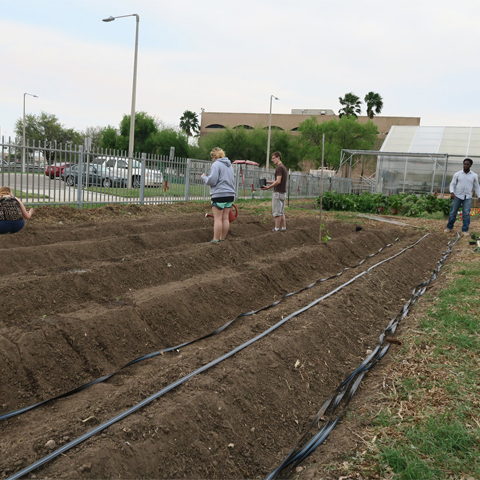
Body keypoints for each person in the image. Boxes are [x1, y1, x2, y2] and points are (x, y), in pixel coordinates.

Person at [201, 147, 235, 243]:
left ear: (214, 156)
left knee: (218, 218)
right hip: (230, 195)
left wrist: (204, 177)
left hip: (219, 194)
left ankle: (215, 240)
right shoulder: (230, 166)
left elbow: (212, 181)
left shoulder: (216, 165)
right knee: (225, 218)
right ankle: (222, 239)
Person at [444, 158, 480, 236]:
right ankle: (449, 227)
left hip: (468, 197)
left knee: (466, 214)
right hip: (457, 196)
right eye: (464, 164)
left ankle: (465, 230)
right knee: (453, 212)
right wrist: (452, 193)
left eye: (467, 164)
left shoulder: (474, 175)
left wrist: (479, 196)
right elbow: (452, 184)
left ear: (470, 165)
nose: (465, 165)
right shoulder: (458, 174)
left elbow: (476, 186)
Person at [261, 151, 287, 231]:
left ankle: (276, 229)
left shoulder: (279, 168)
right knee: (281, 212)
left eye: (273, 158)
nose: (272, 160)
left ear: (278, 157)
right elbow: (279, 181)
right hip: (283, 193)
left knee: (277, 213)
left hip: (278, 193)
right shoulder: (284, 167)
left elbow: (278, 181)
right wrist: (269, 182)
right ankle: (283, 228)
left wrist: (268, 187)